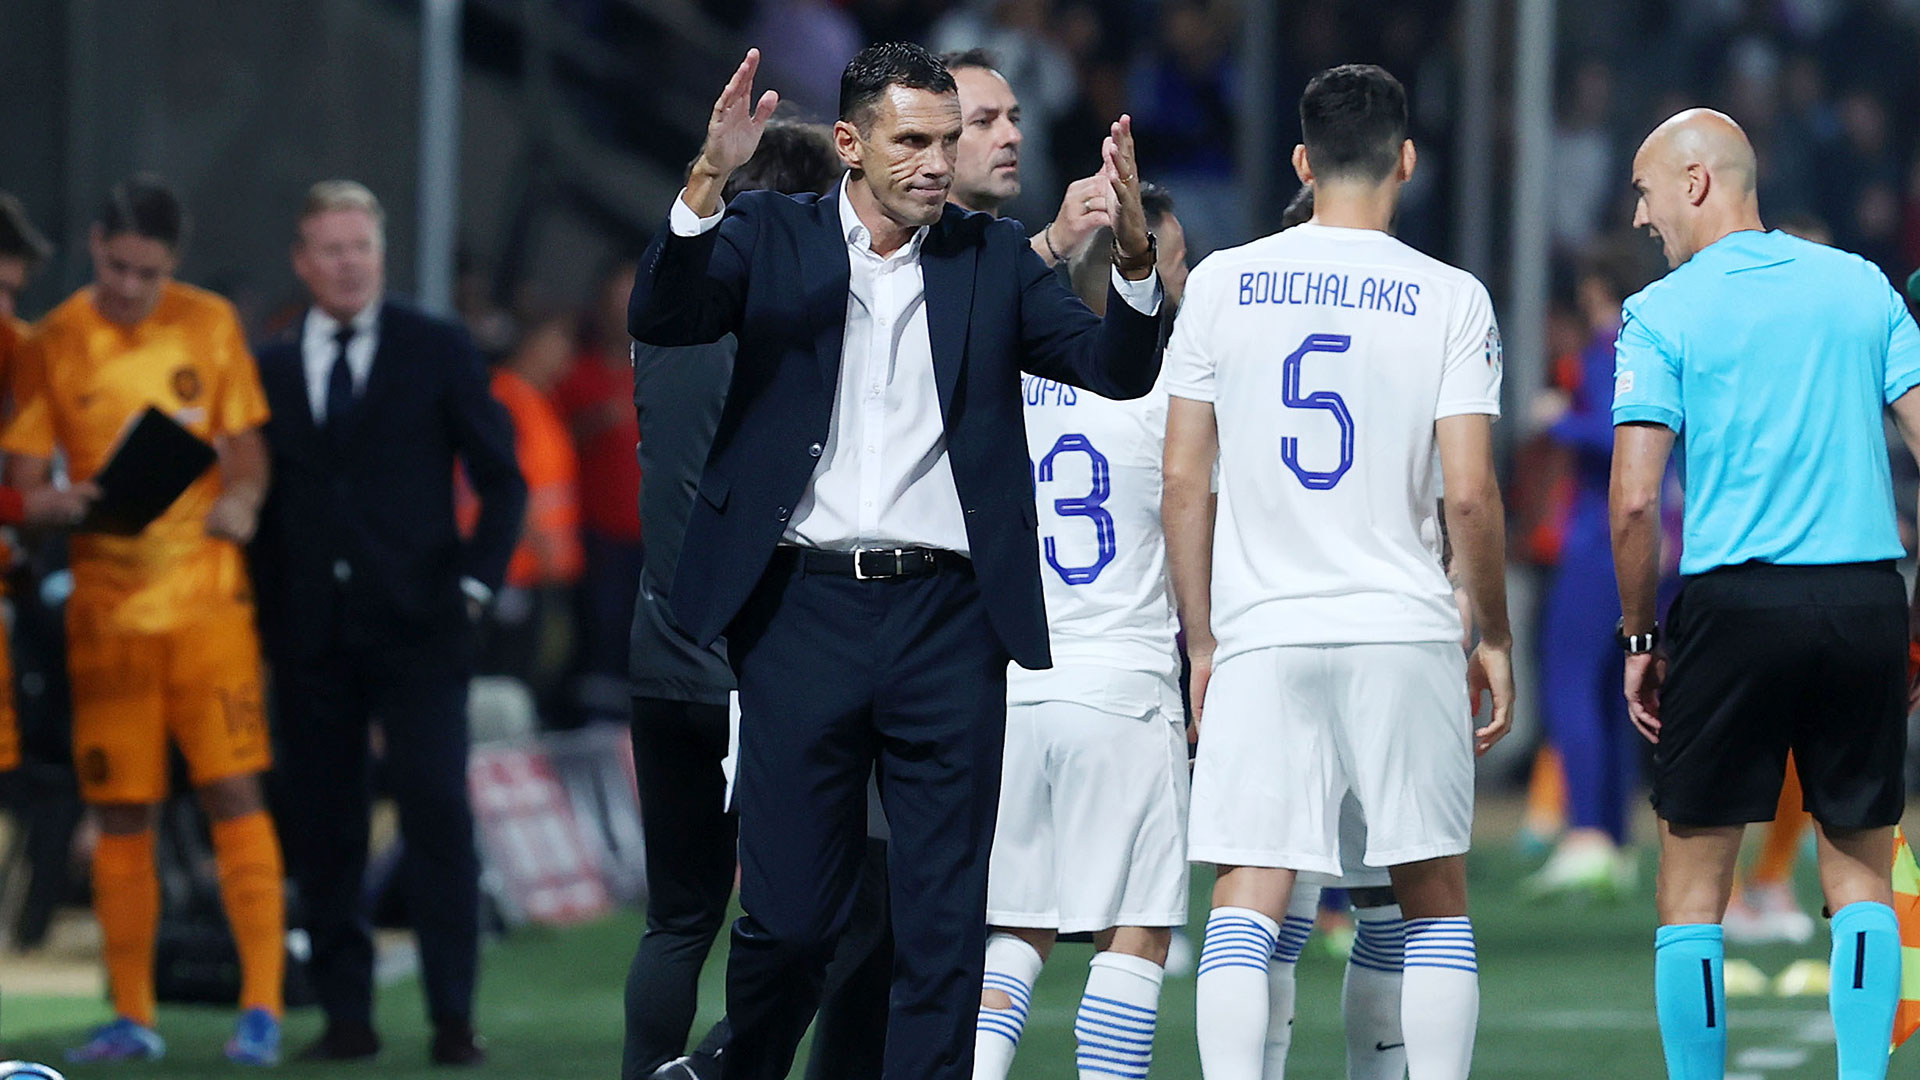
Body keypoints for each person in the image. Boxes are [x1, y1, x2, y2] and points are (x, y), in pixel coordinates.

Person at [627, 42, 1166, 1080]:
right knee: (788, 923)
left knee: (942, 925)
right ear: (849, 143)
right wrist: (707, 177)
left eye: (946, 140)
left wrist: (1134, 257)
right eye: (912, 141)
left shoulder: (990, 256)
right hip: (799, 612)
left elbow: (1114, 368)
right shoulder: (767, 232)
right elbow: (665, 311)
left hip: (949, 622)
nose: (935, 162)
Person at [1163, 65, 1513, 1080]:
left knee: (1249, 890)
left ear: (1302, 162)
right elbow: (1469, 493)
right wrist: (1493, 632)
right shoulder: (1450, 296)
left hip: (1264, 629)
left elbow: (1183, 478)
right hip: (1402, 625)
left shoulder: (1222, 282)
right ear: (1407, 160)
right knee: (1428, 893)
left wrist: (1200, 638)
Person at [1610, 108, 1919, 1080]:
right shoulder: (1862, 285)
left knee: (1692, 890)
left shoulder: (1662, 311)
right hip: (1865, 600)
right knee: (1862, 873)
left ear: (1696, 181)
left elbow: (1633, 501)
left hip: (1734, 607)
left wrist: (1639, 639)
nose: (1640, 217)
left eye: (1645, 191)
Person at [2, 176, 287, 1066]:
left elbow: (247, 452)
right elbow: (21, 478)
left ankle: (263, 1007)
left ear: (173, 264)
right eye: (117, 267)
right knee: (121, 810)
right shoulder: (54, 342)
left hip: (208, 607)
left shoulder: (209, 324)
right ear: (94, 246)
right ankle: (132, 1014)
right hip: (107, 615)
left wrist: (243, 501)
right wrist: (52, 504)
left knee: (233, 790)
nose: (129, 286)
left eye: (148, 272)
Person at [250, 180, 526, 1066]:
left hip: (422, 630)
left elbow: (504, 480)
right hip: (310, 638)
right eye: (331, 250)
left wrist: (475, 588)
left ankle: (453, 1018)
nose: (348, 264)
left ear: (380, 252)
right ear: (302, 262)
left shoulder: (434, 346)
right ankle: (346, 1017)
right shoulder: (269, 367)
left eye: (360, 247)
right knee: (324, 827)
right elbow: (259, 504)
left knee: (437, 814)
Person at [622, 119, 862, 1080]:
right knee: (808, 913)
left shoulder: (658, 313)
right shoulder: (782, 320)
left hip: (660, 651)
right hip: (757, 661)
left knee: (678, 917)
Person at [965, 169, 1188, 1080]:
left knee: (1015, 929)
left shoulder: (1004, 383)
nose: (1182, 280)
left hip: (1015, 690)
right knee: (1134, 933)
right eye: (1173, 262)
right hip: (1122, 686)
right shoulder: (1163, 394)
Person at [1524, 238, 1664, 901]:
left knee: (1571, 682)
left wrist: (1561, 419)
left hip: (1596, 540)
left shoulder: (1610, 350)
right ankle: (1613, 837)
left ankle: (1585, 834)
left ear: (1594, 290)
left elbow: (1616, 435)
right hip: (1653, 540)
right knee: (1617, 690)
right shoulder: (1663, 347)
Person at [469, 311, 583, 695]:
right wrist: (538, 541)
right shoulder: (505, 397)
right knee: (507, 677)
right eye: (557, 344)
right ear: (531, 344)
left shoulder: (540, 399)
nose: (565, 356)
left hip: (537, 570)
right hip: (513, 568)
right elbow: (508, 481)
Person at [550, 263, 644, 725]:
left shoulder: (658, 371)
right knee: (596, 638)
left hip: (654, 539)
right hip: (595, 535)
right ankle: (593, 732)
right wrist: (594, 423)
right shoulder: (575, 375)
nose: (624, 310)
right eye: (616, 299)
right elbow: (544, 445)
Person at [941, 49, 1116, 271]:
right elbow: (965, 286)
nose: (1014, 136)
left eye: (1013, 119)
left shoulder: (1020, 259)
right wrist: (1053, 242)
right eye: (983, 122)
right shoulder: (907, 256)